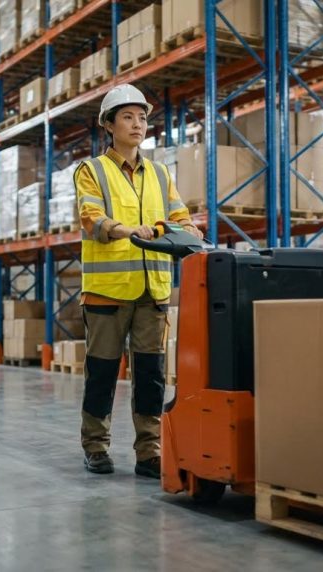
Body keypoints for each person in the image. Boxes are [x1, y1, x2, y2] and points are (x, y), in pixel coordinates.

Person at [75, 83, 203, 478]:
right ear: (108, 125)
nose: (137, 124)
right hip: (108, 294)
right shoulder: (92, 171)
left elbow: (183, 221)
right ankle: (95, 447)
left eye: (143, 117)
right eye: (128, 116)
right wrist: (126, 230)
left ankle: (149, 451)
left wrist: (181, 231)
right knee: (102, 373)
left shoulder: (161, 174)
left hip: (153, 292)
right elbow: (91, 218)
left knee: (150, 375)